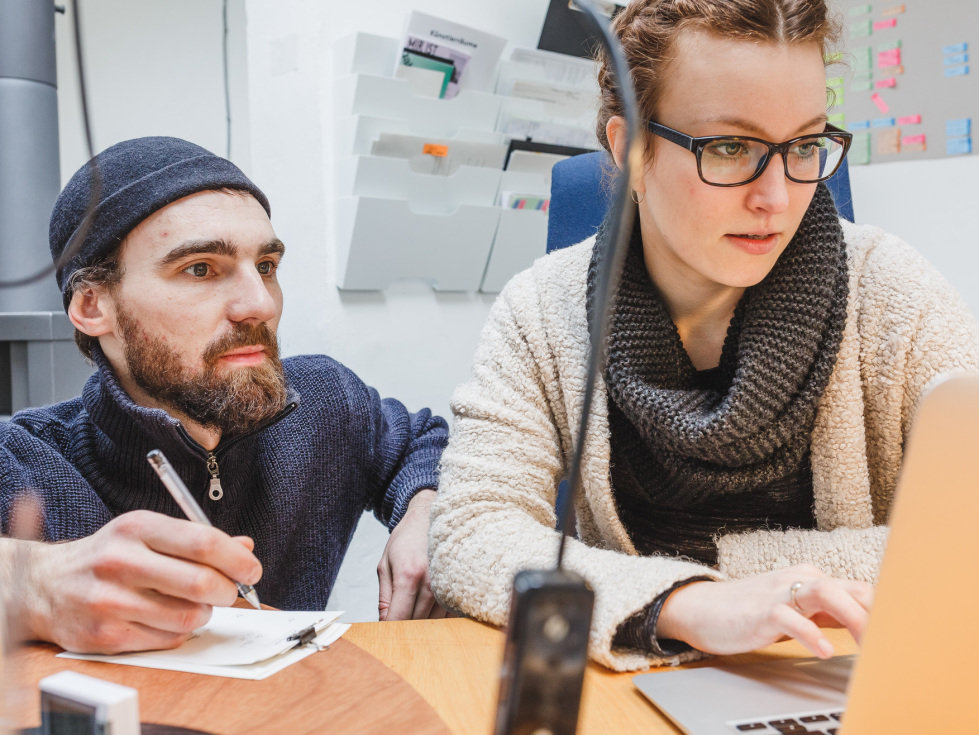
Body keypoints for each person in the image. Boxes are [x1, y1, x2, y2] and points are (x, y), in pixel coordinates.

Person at [429, 0, 979, 671]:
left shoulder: (893, 295)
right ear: (628, 147)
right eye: (729, 148)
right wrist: (686, 602)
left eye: (803, 145)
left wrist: (740, 572)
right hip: (640, 691)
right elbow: (467, 533)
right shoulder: (542, 310)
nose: (775, 197)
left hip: (845, 684)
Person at [0, 136, 448, 654]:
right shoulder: (22, 460)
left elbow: (424, 442)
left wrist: (428, 508)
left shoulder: (327, 403)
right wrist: (33, 583)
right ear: (93, 306)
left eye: (266, 267)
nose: (259, 304)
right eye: (200, 269)